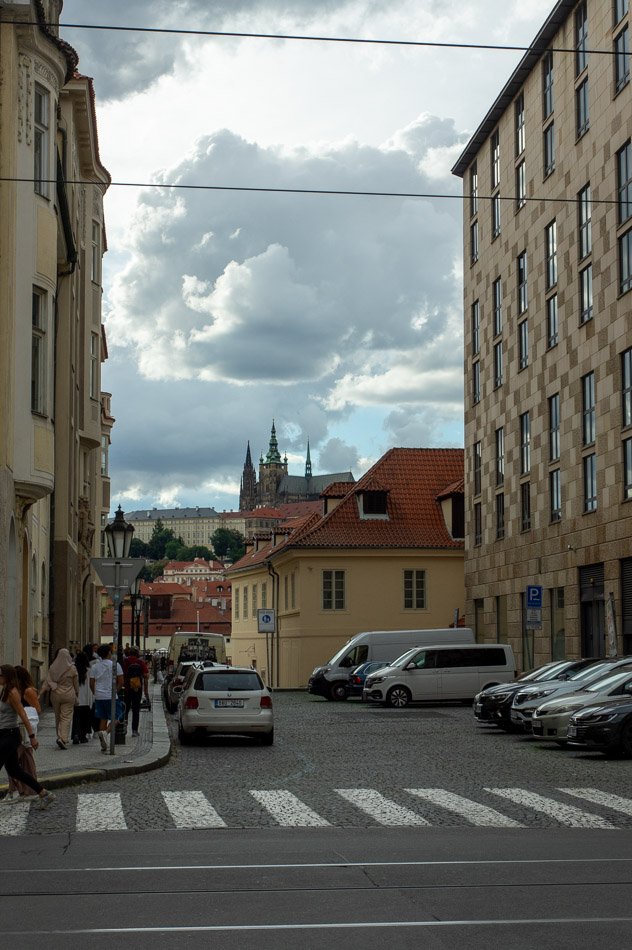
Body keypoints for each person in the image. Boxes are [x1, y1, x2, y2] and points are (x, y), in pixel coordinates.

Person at [0, 665, 54, 807]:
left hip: (10, 735)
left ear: (7, 676)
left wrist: (32, 736)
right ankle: (44, 793)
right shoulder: (4, 690)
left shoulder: (12, 692)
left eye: (0, 675)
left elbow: (22, 714)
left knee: (14, 769)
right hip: (4, 734)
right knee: (14, 770)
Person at [7, 666, 41, 799]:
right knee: (23, 760)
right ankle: (29, 790)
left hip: (24, 729)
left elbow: (37, 709)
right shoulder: (14, 691)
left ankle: (16, 790)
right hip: (17, 727)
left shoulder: (28, 691)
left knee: (14, 761)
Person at [40, 648, 79, 750]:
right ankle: (63, 738)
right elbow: (76, 684)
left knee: (58, 716)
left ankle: (59, 736)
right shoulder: (72, 668)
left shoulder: (53, 667)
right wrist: (77, 693)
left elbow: (47, 681)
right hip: (68, 694)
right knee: (66, 717)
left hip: (55, 694)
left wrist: (40, 694)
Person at [89, 644, 123, 752]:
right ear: (109, 653)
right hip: (111, 695)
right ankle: (106, 732)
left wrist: (95, 693)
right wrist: (115, 691)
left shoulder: (95, 666)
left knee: (103, 718)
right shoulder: (115, 665)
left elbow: (91, 683)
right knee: (117, 716)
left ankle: (103, 743)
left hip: (99, 696)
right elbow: (121, 681)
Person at [123, 647, 149, 737]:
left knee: (125, 709)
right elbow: (145, 675)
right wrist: (146, 689)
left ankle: (124, 727)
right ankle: (134, 730)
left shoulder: (125, 661)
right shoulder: (140, 662)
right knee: (136, 710)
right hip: (137, 688)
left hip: (126, 688)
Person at [71, 652, 93, 744]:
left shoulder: (73, 670)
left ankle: (75, 734)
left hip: (76, 697)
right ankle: (82, 736)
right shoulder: (89, 670)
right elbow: (90, 685)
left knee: (76, 717)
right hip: (86, 699)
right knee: (85, 718)